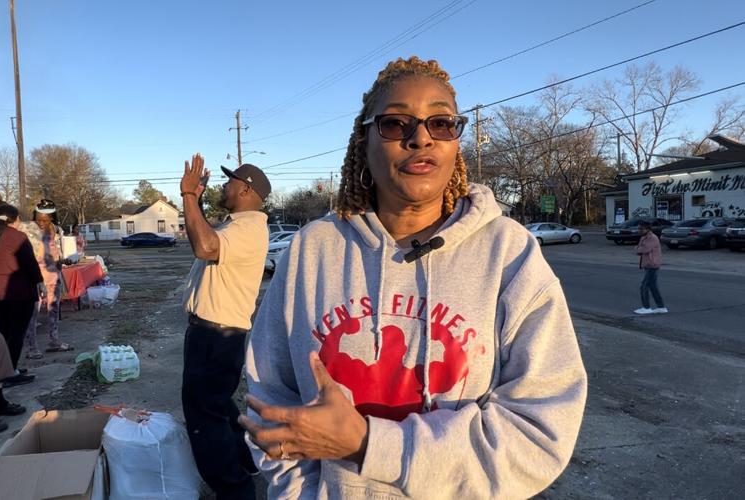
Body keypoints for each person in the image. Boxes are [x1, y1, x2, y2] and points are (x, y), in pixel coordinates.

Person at [239, 57, 587, 499]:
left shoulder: (509, 253)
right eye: (395, 123)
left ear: (455, 142)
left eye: (441, 123)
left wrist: (370, 444)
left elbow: (540, 427)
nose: (421, 137)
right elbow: (271, 395)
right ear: (363, 142)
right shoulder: (313, 249)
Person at [180, 156, 272, 499]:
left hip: (215, 336)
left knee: (205, 419)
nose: (225, 185)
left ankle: (235, 490)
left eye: (230, 181)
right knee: (219, 406)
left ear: (246, 189)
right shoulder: (238, 226)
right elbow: (207, 235)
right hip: (216, 334)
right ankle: (247, 462)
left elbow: (204, 246)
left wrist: (189, 196)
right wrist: (197, 201)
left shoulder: (247, 229)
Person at [0, 203, 45, 372]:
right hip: (16, 290)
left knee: (2, 332)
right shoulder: (17, 237)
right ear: (16, 219)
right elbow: (29, 263)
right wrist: (40, 282)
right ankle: (10, 370)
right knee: (16, 333)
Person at [22, 199, 71, 358]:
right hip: (35, 276)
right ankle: (32, 347)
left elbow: (56, 251)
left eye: (45, 219)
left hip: (53, 273)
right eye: (39, 218)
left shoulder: (57, 230)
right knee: (33, 312)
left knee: (53, 309)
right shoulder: (26, 229)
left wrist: (64, 259)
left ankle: (54, 340)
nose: (42, 222)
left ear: (52, 217)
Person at [634, 221, 667, 314]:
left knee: (644, 286)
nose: (639, 230)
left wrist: (637, 249)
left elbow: (644, 249)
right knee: (653, 287)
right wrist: (638, 249)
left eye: (641, 229)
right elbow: (639, 250)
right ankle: (661, 307)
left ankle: (646, 307)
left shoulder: (652, 238)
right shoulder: (644, 237)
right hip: (648, 264)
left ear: (647, 229)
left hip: (652, 264)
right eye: (639, 228)